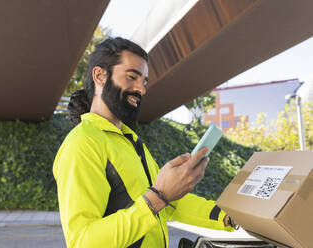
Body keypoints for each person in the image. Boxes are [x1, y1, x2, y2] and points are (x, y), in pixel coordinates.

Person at [53, 37, 235, 248]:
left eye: (145, 81)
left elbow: (170, 203)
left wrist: (226, 216)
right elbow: (83, 241)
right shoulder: (82, 144)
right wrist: (158, 197)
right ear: (100, 75)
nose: (141, 88)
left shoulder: (131, 141)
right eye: (132, 77)